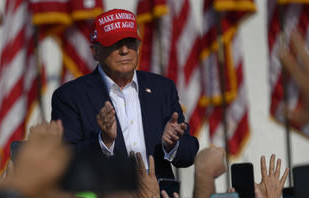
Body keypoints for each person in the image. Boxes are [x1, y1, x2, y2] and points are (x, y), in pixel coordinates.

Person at [51, 8, 199, 180]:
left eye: (130, 42)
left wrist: (172, 145)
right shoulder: (70, 96)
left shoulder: (162, 88)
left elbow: (188, 155)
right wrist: (104, 141)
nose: (124, 50)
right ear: (95, 52)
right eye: (115, 43)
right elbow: (63, 160)